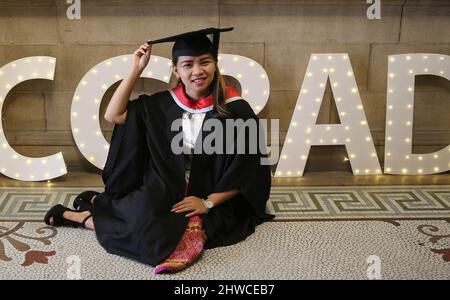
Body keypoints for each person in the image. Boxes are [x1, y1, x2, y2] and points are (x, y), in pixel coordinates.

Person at [44, 27, 274, 274]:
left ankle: (89, 212)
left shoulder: (235, 110)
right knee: (145, 217)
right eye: (188, 64)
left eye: (205, 62)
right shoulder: (164, 104)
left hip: (214, 192)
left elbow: (247, 170)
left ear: (215, 65)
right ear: (176, 69)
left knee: (179, 233)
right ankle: (85, 215)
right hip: (169, 185)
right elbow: (114, 114)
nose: (198, 71)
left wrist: (207, 202)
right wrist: (136, 69)